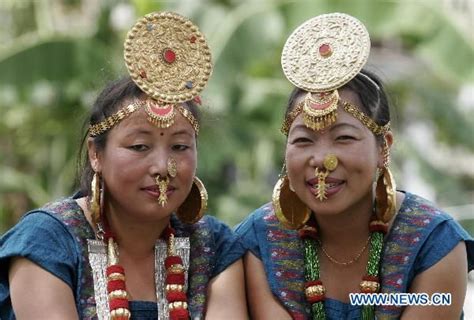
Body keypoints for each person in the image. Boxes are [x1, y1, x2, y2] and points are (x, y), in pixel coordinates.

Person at [0, 11, 247, 319]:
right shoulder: (47, 240)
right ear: (96, 154)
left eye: (180, 147)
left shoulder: (213, 246)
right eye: (139, 146)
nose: (162, 167)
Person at [235, 12, 473, 319]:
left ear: (383, 147)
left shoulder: (435, 245)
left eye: (344, 137)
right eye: (304, 140)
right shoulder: (260, 240)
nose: (321, 160)